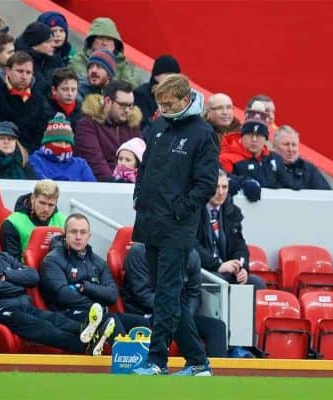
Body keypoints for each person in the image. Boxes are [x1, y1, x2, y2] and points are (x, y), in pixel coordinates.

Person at [132, 74, 218, 376]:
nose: (164, 109)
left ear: (185, 100)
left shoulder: (203, 134)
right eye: (160, 104)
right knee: (166, 293)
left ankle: (157, 361)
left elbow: (206, 184)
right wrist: (138, 196)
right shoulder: (158, 126)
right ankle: (197, 361)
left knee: (167, 294)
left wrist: (180, 210)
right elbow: (144, 167)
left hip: (177, 227)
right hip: (149, 221)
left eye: (169, 104)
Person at [0, 214, 114, 355]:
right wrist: (18, 284)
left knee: (53, 319)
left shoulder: (3, 256)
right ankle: (85, 347)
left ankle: (92, 331)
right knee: (41, 326)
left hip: (22, 303)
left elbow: (33, 276)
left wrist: (6, 276)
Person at [40, 213, 149, 341]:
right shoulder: (52, 260)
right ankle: (124, 358)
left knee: (141, 323)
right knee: (110, 321)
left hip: (97, 314)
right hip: (66, 314)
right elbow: (62, 294)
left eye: (83, 232)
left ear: (89, 236)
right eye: (74, 232)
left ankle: (153, 359)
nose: (79, 237)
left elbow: (112, 295)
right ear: (65, 235)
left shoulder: (98, 262)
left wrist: (85, 287)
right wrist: (97, 301)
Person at [122, 243, 227, 358]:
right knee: (181, 332)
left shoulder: (192, 256)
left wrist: (185, 318)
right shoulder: (139, 252)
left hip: (179, 312)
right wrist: (175, 313)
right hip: (147, 313)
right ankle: (194, 364)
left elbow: (194, 294)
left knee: (217, 327)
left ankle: (217, 372)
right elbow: (143, 294)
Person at [195, 169, 266, 289]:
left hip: (227, 270)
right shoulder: (194, 211)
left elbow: (240, 245)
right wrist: (218, 266)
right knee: (219, 283)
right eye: (216, 187)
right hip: (204, 270)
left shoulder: (232, 211)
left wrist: (242, 267)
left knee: (257, 283)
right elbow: (193, 246)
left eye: (224, 187)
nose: (220, 192)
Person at [219, 107, 297, 202]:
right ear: (242, 136)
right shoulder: (226, 158)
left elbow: (288, 185)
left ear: (266, 139)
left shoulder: (274, 159)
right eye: (250, 135)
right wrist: (244, 182)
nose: (254, 140)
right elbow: (221, 181)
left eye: (259, 135)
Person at [0, 51, 47, 153]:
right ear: (8, 71)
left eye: (28, 73)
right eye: (20, 71)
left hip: (26, 153)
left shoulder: (38, 99)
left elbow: (38, 134)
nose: (24, 76)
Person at [75, 79, 142, 181]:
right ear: (107, 101)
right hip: (98, 187)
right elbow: (95, 162)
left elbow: (141, 160)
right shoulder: (87, 125)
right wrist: (115, 185)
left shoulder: (132, 125)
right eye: (123, 105)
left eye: (130, 105)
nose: (128, 110)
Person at [0, 179, 66, 261]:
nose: (46, 209)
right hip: (25, 271)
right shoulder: (12, 224)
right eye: (42, 203)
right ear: (33, 198)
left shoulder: (65, 222)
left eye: (51, 205)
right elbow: (11, 263)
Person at [69, 17, 142, 87]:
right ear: (91, 41)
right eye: (101, 38)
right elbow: (88, 83)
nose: (105, 43)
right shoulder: (79, 60)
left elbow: (130, 87)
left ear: (115, 44)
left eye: (109, 39)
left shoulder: (123, 63)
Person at [29, 113, 95, 182]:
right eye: (58, 141)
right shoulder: (36, 160)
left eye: (67, 143)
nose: (63, 146)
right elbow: (42, 188)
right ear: (47, 142)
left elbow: (92, 189)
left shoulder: (81, 164)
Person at [272, 125, 331, 190]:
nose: (291, 149)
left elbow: (327, 194)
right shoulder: (265, 166)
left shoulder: (308, 168)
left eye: (294, 145)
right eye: (286, 144)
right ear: (275, 146)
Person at [14, 21, 63, 95]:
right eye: (48, 42)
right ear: (35, 45)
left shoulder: (52, 58)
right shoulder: (21, 61)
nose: (53, 45)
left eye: (52, 41)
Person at [133, 54, 180, 131]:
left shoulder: (175, 97)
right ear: (156, 74)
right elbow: (141, 126)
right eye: (168, 75)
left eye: (175, 77)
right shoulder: (141, 94)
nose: (171, 80)